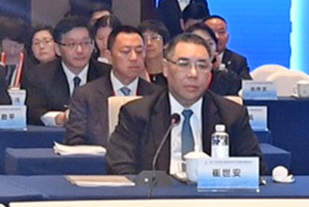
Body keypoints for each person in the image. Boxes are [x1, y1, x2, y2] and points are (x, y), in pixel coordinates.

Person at [108, 30, 260, 177]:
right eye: (183, 64)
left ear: (210, 74)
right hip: (157, 193)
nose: (193, 74)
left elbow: (256, 168)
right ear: (165, 68)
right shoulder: (137, 113)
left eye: (202, 66)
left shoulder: (232, 114)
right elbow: (120, 169)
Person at [65, 23, 158, 146]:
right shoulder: (86, 95)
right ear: (109, 56)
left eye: (139, 51)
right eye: (126, 52)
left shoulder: (157, 95)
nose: (134, 58)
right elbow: (74, 141)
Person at [23, 13, 105, 126]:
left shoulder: (105, 74)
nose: (80, 50)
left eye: (86, 43)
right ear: (57, 49)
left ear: (92, 46)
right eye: (71, 44)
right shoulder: (39, 75)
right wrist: (59, 118)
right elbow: (34, 112)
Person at [206, 15, 252, 80]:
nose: (217, 37)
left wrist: (222, 70)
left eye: (221, 32)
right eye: (211, 33)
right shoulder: (194, 57)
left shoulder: (238, 61)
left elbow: (245, 84)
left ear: (228, 37)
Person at [139, 19, 172, 83]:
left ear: (166, 44)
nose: (149, 43)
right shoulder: (135, 74)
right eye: (144, 39)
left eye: (154, 38)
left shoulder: (173, 73)